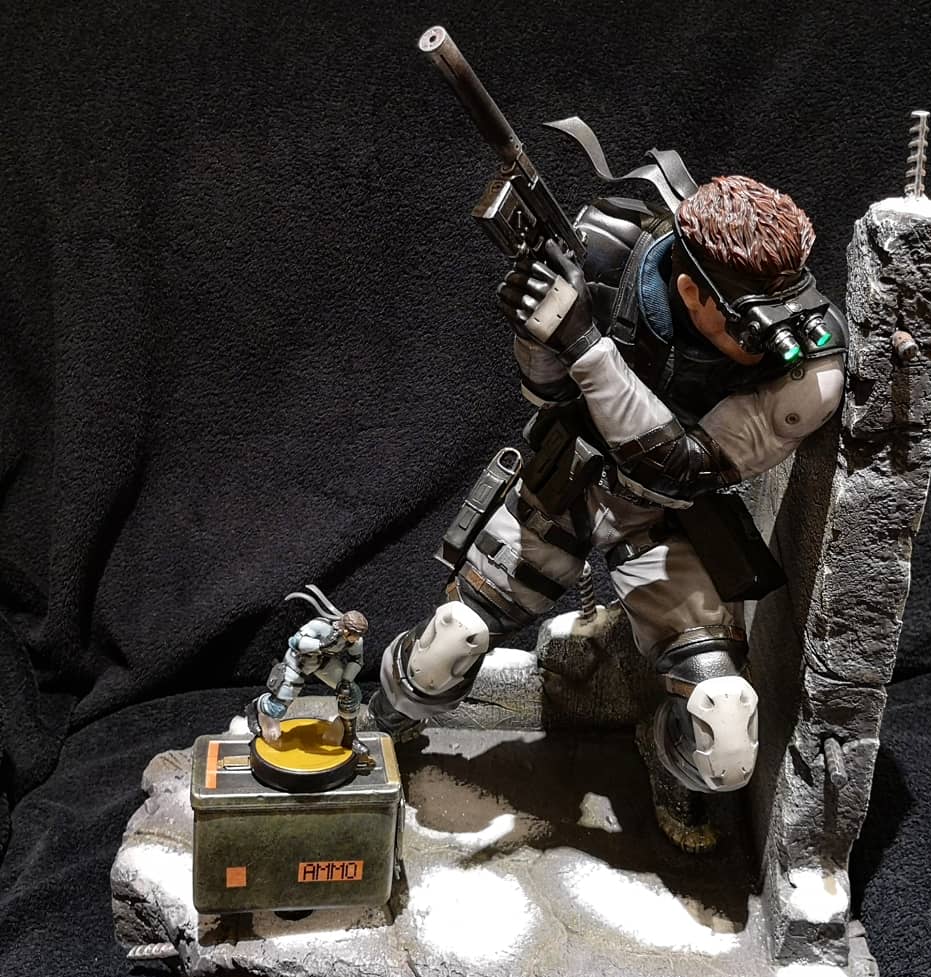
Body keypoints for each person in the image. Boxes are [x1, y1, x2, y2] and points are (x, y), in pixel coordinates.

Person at [366, 172, 847, 849]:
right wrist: (538, 334)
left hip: (669, 518)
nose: (773, 337)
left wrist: (586, 346)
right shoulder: (605, 253)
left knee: (722, 718)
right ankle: (378, 729)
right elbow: (548, 397)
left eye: (788, 304)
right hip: (564, 481)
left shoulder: (810, 362)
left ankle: (666, 755)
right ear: (690, 290)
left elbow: (679, 466)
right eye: (750, 319)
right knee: (448, 645)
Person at [246, 585, 369, 752]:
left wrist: (346, 681)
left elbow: (357, 659)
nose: (357, 638)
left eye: (359, 635)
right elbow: (295, 642)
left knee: (350, 694)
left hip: (324, 663)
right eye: (355, 633)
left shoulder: (355, 640)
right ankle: (256, 706)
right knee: (278, 708)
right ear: (346, 628)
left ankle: (348, 736)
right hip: (299, 662)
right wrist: (320, 644)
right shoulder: (320, 626)